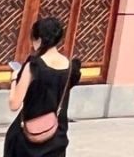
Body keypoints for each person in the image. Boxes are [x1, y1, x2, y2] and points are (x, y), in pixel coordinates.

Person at [5, 16, 81, 157]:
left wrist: (14, 79)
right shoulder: (71, 68)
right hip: (56, 138)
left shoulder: (34, 66)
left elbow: (14, 104)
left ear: (39, 39)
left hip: (27, 140)